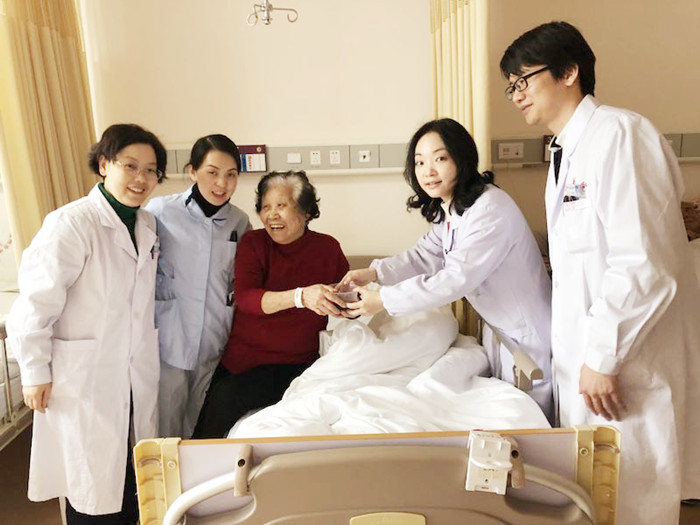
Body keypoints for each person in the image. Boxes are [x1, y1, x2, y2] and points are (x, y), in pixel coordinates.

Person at [500, 20, 700, 524]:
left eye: (524, 79)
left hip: (625, 362)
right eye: (511, 85)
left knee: (635, 498)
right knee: (603, 498)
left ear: (569, 72)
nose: (516, 94)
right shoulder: (564, 153)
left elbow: (644, 261)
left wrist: (604, 356)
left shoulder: (620, 135)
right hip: (591, 363)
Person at [340, 118, 553, 419]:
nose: (428, 171)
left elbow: (454, 280)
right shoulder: (454, 208)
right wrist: (374, 273)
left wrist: (383, 299)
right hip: (504, 333)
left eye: (440, 158)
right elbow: (422, 255)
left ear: (461, 159)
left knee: (534, 425)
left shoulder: (489, 209)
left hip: (527, 338)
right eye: (420, 162)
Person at [6, 123, 166, 524]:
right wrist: (34, 372)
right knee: (90, 486)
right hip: (85, 378)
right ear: (104, 165)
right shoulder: (71, 223)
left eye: (151, 170)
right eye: (130, 166)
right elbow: (35, 304)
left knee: (131, 479)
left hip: (133, 373)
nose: (141, 178)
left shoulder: (146, 225)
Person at [192, 170, 349, 438]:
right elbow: (247, 299)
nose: (272, 215)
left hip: (299, 366)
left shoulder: (328, 248)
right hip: (243, 364)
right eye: (265, 207)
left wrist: (357, 300)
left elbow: (344, 301)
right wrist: (301, 296)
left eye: (281, 206)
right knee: (214, 416)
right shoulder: (254, 243)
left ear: (306, 212)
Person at [145, 134, 251, 438]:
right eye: (212, 172)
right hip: (169, 337)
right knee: (164, 423)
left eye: (231, 175)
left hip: (214, 338)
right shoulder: (160, 212)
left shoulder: (239, 223)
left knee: (198, 424)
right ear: (192, 171)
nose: (222, 183)